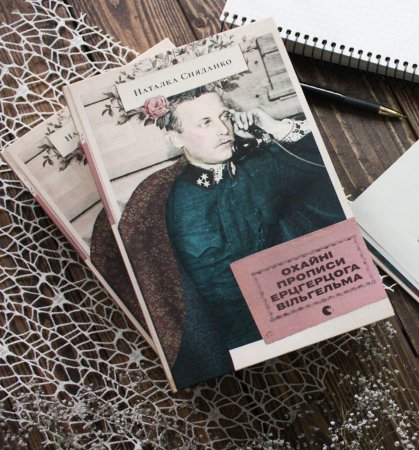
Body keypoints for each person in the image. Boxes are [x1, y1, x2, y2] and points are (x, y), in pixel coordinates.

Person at [117, 86, 345, 388]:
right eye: (205, 123)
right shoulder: (176, 207)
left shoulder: (257, 168)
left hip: (300, 309)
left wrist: (274, 127)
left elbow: (325, 161)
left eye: (223, 116)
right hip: (243, 346)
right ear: (175, 139)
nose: (223, 129)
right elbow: (208, 303)